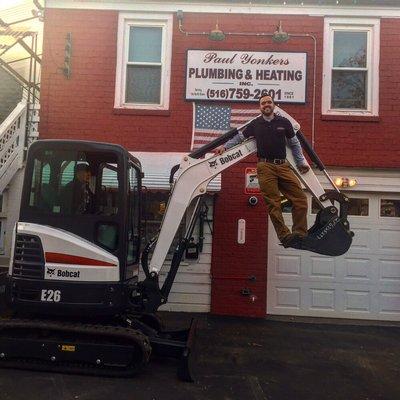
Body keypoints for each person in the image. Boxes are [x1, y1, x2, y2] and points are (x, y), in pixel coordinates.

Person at [215, 95, 310, 247]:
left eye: (269, 102)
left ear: (273, 105)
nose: (266, 104)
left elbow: (295, 144)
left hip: (283, 165)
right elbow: (239, 138)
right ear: (260, 107)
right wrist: (225, 147)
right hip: (265, 167)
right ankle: (284, 236)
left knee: (300, 199)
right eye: (263, 103)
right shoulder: (255, 124)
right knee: (273, 203)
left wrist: (301, 162)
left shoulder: (284, 122)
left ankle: (300, 233)